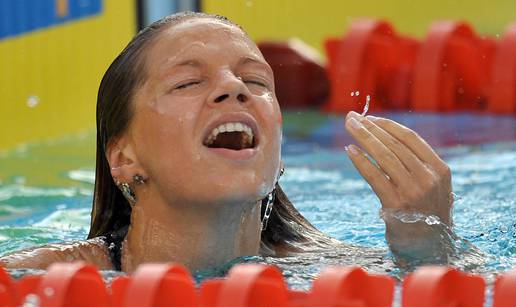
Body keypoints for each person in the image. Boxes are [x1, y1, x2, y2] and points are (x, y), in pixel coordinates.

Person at [0, 12, 454, 273]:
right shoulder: (44, 276)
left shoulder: (341, 273)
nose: (234, 89)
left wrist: (427, 248)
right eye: (187, 83)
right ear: (123, 157)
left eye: (255, 81)